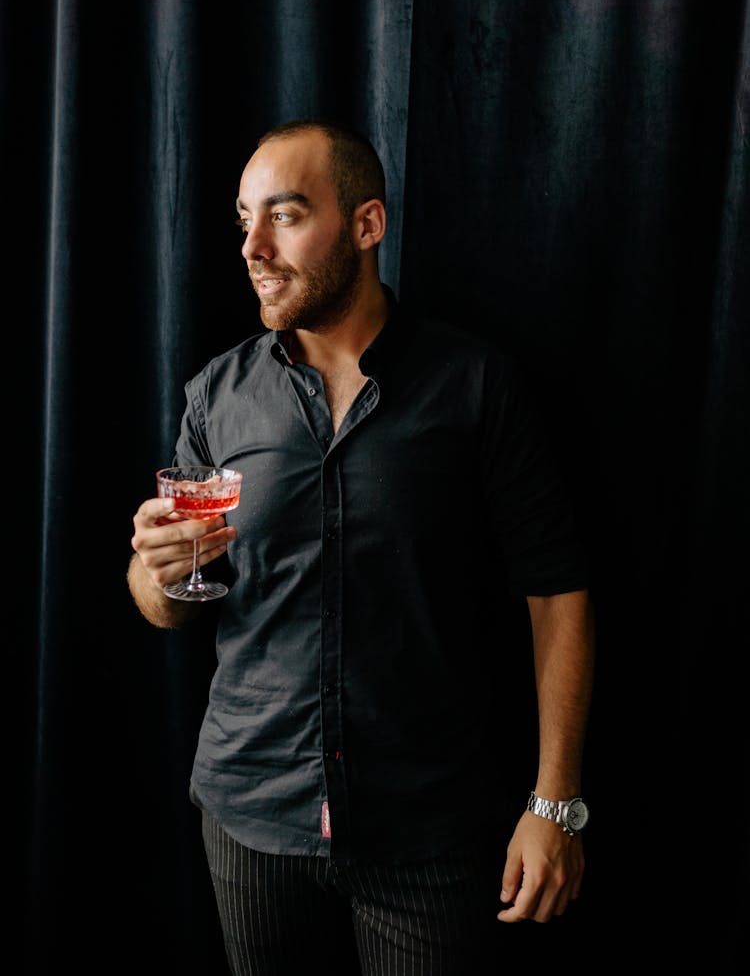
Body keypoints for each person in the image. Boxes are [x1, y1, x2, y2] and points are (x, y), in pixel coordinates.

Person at [128, 119, 594, 975]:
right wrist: (152, 572)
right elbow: (168, 598)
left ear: (367, 225)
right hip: (251, 819)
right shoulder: (216, 395)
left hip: (430, 829)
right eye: (243, 220)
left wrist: (555, 801)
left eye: (286, 215)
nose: (252, 247)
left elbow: (556, 590)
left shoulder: (476, 384)